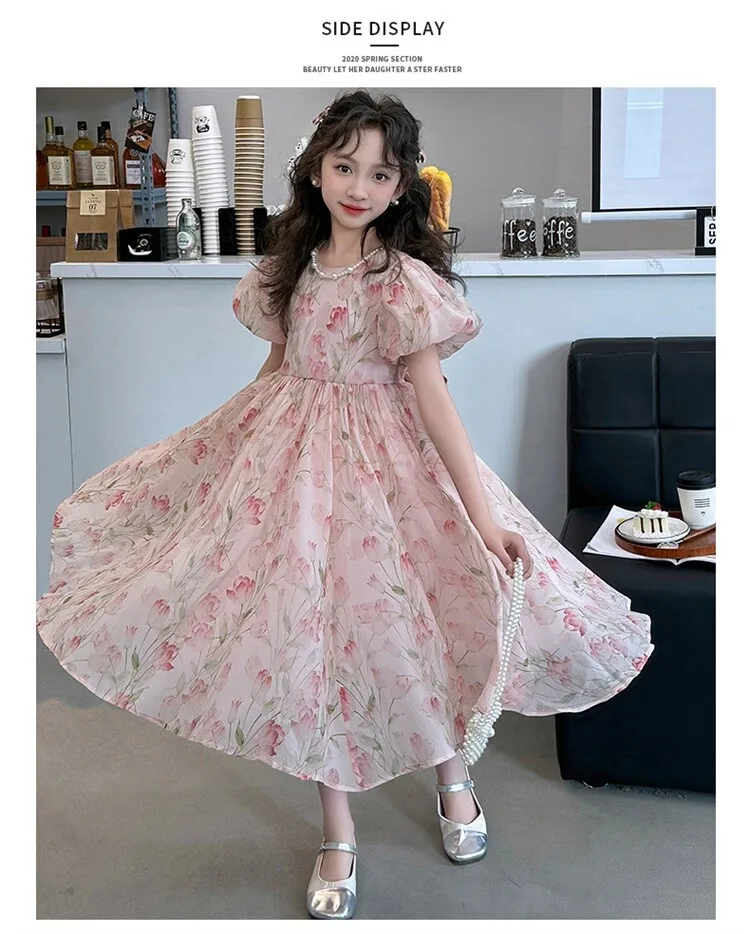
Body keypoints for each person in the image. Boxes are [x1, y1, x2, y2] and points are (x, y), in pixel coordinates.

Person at [37, 89, 653, 921]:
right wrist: (221, 447)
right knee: (314, 643)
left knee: (414, 627)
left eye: (380, 173)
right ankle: (338, 830)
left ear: (402, 188)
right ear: (317, 171)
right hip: (295, 475)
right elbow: (278, 373)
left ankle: (453, 777)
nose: (359, 186)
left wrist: (482, 517)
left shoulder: (399, 281)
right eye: (345, 167)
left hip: (388, 475)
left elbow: (432, 396)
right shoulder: (288, 269)